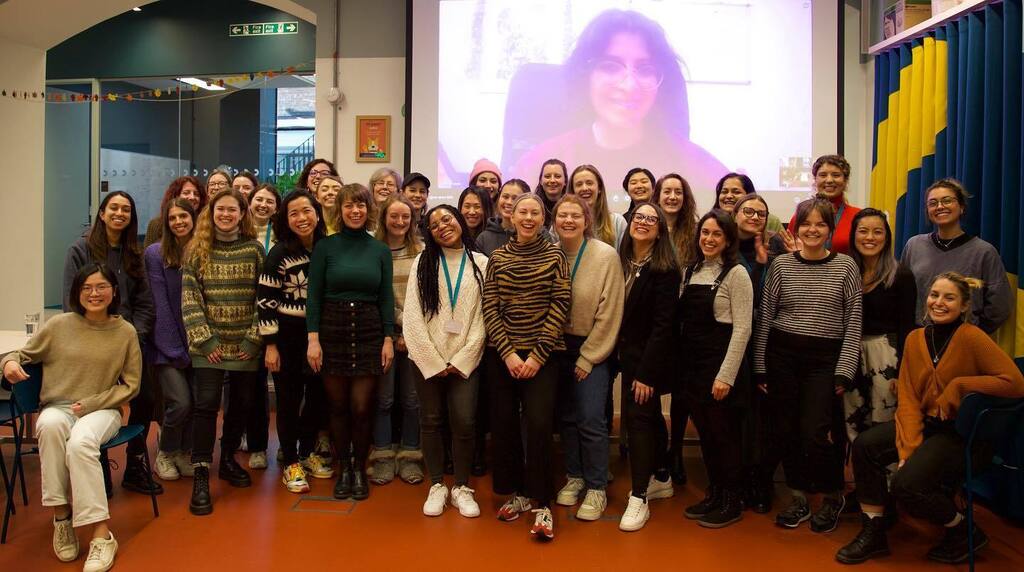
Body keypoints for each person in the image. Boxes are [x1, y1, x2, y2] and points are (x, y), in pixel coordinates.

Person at [835, 272, 1024, 565]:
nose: (939, 302)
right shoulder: (915, 338)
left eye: (949, 297)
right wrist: (907, 448)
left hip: (962, 436)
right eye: (934, 295)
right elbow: (909, 398)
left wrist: (961, 385)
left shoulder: (972, 337)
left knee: (906, 484)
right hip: (928, 426)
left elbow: (1015, 382)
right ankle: (874, 530)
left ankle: (963, 529)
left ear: (964, 306)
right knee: (865, 446)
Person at [2, 263, 142, 572]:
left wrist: (94, 402)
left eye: (101, 287)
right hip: (59, 407)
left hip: (103, 409)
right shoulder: (59, 325)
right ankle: (62, 516)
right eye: (86, 288)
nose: (94, 293)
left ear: (114, 292)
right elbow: (21, 355)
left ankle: (101, 535)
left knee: (81, 442)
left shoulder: (125, 332)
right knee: (49, 425)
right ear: (77, 293)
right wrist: (8, 364)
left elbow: (132, 385)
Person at [510, 9, 728, 192]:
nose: (629, 85)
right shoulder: (538, 165)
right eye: (610, 67)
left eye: (645, 69)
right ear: (586, 76)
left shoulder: (699, 168)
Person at [752, 197, 862, 533]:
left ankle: (831, 495)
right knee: (785, 429)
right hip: (782, 356)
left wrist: (845, 368)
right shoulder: (782, 265)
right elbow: (767, 316)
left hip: (824, 361)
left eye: (820, 224)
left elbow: (853, 321)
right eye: (806, 224)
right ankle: (798, 496)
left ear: (830, 229)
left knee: (816, 432)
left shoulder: (846, 266)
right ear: (795, 228)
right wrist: (760, 365)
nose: (812, 230)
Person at [484, 194, 570, 540]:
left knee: (537, 425)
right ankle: (518, 493)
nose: (529, 217)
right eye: (523, 211)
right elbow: (490, 306)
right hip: (504, 355)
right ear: (512, 216)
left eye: (535, 212)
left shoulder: (554, 255)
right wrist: (507, 353)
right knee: (504, 424)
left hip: (543, 356)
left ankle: (543, 502)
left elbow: (560, 303)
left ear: (542, 218)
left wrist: (536, 355)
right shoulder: (498, 257)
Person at [63, 191, 158, 497]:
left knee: (145, 398)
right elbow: (71, 302)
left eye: (126, 209)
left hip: (129, 341)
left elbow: (145, 303)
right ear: (102, 213)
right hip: (92, 344)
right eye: (113, 208)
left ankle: (134, 464)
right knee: (97, 402)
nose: (119, 213)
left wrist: (135, 336)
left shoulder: (134, 253)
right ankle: (98, 464)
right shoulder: (81, 249)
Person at [306, 183, 395, 501]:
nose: (355, 211)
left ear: (368, 210)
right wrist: (313, 339)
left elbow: (385, 298)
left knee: (361, 407)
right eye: (348, 206)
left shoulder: (380, 250)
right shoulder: (325, 247)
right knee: (338, 406)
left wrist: (388, 338)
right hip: (332, 330)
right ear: (339, 211)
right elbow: (313, 297)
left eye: (360, 205)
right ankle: (343, 469)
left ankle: (359, 468)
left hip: (370, 331)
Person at [181, 188, 265, 516]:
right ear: (211, 213)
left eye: (233, 210)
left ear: (242, 214)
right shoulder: (197, 250)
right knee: (205, 406)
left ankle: (228, 458)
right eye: (221, 210)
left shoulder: (255, 250)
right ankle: (201, 472)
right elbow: (190, 299)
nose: (226, 215)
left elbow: (265, 298)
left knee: (241, 405)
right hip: (209, 348)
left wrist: (252, 340)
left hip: (245, 347)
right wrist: (207, 341)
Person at [405, 205, 489, 517]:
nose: (443, 226)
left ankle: (462, 487)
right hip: (427, 358)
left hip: (466, 360)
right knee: (430, 420)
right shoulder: (422, 262)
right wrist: (432, 359)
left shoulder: (481, 263)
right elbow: (413, 316)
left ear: (459, 220)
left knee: (464, 422)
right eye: (434, 224)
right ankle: (438, 484)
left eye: (447, 219)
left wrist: (464, 358)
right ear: (429, 232)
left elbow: (484, 318)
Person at [678, 210, 753, 529]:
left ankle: (732, 500)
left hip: (720, 366)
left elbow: (743, 329)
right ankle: (715, 493)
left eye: (716, 234)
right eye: (705, 233)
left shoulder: (737, 273)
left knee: (725, 437)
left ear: (728, 239)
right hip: (693, 367)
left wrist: (725, 376)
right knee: (707, 435)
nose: (709, 239)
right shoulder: (689, 271)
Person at [551, 194, 624, 521]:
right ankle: (575, 475)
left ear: (586, 220)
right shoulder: (550, 253)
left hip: (591, 348)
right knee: (566, 416)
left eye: (574, 216)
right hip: (554, 347)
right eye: (562, 215)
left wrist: (589, 356)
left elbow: (610, 312)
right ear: (554, 221)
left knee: (591, 418)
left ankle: (596, 488)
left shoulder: (605, 255)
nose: (568, 221)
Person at [258, 189, 333, 493]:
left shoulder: (327, 248)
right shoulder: (279, 253)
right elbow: (265, 301)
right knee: (288, 401)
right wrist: (271, 345)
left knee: (317, 398)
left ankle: (306, 453)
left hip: (320, 336)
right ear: (285, 220)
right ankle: (290, 461)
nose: (301, 218)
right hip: (286, 337)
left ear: (317, 213)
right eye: (294, 213)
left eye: (306, 211)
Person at [617, 202, 681, 532]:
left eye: (651, 220)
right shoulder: (623, 260)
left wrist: (646, 373)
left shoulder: (665, 268)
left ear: (660, 230)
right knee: (650, 415)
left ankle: (639, 496)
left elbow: (663, 326)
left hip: (648, 361)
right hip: (623, 355)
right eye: (639, 217)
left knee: (639, 417)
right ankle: (661, 476)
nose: (643, 222)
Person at [731, 192, 789, 513]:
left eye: (761, 214)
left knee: (763, 417)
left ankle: (761, 481)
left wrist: (766, 265)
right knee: (737, 417)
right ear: (736, 214)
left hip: (764, 341)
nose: (754, 218)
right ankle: (736, 481)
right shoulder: (721, 247)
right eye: (748, 211)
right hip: (730, 341)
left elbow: (772, 297)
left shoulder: (775, 249)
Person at [900, 178, 1011, 334]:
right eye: (933, 203)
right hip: (920, 337)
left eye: (947, 201)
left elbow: (1000, 305)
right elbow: (902, 295)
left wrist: (973, 334)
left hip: (964, 341)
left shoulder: (984, 252)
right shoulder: (914, 246)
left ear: (962, 207)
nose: (940, 206)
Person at [844, 209, 916, 441]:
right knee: (852, 422)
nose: (870, 237)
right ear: (853, 236)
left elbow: (907, 326)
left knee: (883, 424)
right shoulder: (846, 271)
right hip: (850, 355)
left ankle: (888, 478)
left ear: (887, 237)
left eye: (877, 232)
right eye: (863, 231)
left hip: (886, 356)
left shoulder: (901, 275)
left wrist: (904, 371)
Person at [370, 195, 424, 485]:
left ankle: (410, 456)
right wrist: (393, 331)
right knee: (384, 399)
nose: (400, 222)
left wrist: (408, 331)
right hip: (382, 337)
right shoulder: (373, 250)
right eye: (394, 216)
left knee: (413, 400)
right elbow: (375, 295)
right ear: (384, 217)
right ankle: (382, 457)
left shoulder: (422, 251)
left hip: (415, 337)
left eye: (406, 217)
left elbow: (427, 296)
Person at [145, 199, 198, 482]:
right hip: (166, 347)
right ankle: (164, 453)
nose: (178, 222)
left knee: (198, 401)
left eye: (183, 216)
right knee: (180, 402)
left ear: (193, 219)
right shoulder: (155, 253)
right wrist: (175, 348)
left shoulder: (202, 251)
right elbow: (160, 304)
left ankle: (182, 452)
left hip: (197, 343)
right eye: (173, 217)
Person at [239, 182, 279, 470]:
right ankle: (256, 446)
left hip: (277, 317)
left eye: (269, 201)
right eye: (259, 200)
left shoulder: (280, 236)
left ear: (277, 208)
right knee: (252, 389)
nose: (263, 205)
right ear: (250, 203)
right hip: (245, 318)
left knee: (281, 386)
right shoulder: (240, 234)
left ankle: (273, 446)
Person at [787, 155, 861, 255]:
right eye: (823, 175)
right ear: (815, 180)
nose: (829, 180)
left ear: (845, 180)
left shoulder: (857, 216)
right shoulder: (800, 215)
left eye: (836, 175)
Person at [476, 179, 553, 256]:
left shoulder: (541, 234)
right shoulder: (484, 238)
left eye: (515, 198)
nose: (509, 202)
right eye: (505, 197)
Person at [570, 164, 627, 250]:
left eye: (589, 183)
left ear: (599, 188)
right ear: (573, 191)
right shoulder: (562, 223)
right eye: (579, 184)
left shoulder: (617, 222)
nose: (584, 188)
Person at [143, 176, 206, 247]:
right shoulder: (156, 224)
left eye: (196, 194)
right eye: (186, 193)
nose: (192, 197)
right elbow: (147, 256)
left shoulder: (206, 224)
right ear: (175, 196)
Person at [714, 172, 783, 233]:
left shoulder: (771, 221)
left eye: (736, 192)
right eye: (724, 192)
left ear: (749, 195)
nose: (729, 196)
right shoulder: (711, 221)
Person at [534, 158, 568, 226]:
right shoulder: (533, 205)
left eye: (557, 176)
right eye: (547, 176)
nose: (552, 180)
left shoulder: (574, 206)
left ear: (565, 181)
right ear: (541, 181)